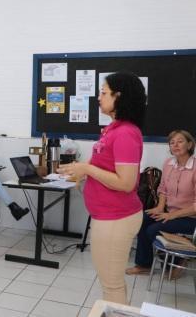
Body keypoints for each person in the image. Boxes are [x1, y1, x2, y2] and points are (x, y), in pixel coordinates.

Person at [58, 71, 147, 304]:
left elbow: (126, 183)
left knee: (112, 286)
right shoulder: (113, 129)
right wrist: (78, 171)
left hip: (116, 218)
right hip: (107, 216)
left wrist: (86, 171)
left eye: (103, 92)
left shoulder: (126, 133)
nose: (98, 97)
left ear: (119, 96)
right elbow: (100, 164)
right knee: (111, 284)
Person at [126, 130, 196, 276]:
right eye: (172, 142)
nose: (175, 145)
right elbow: (162, 189)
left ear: (190, 145)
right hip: (170, 213)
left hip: (190, 218)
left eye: (180, 141)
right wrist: (159, 207)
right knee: (142, 220)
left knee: (153, 230)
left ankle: (177, 261)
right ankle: (143, 265)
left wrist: (173, 215)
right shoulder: (168, 164)